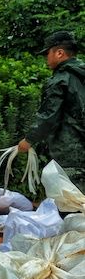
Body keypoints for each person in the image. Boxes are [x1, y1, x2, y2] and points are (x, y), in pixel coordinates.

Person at [18, 31, 84, 191]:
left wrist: (28, 140)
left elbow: (48, 116)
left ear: (59, 52)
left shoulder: (61, 79)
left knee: (72, 203)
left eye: (48, 53)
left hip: (70, 151)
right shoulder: (81, 75)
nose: (46, 59)